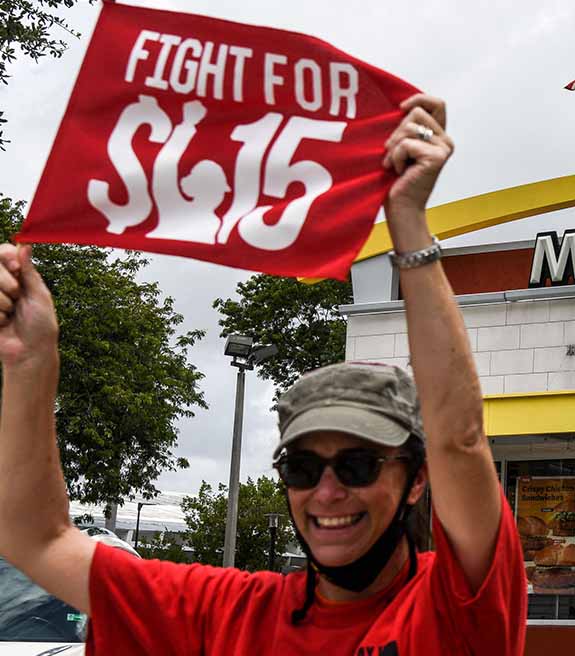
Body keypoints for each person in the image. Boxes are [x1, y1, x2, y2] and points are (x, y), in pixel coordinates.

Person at [0, 95, 527, 654]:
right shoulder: (226, 613)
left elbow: (460, 439)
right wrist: (32, 360)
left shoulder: (456, 608)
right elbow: (37, 538)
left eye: (356, 464)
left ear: (417, 480)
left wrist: (409, 225)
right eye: (301, 467)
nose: (327, 492)